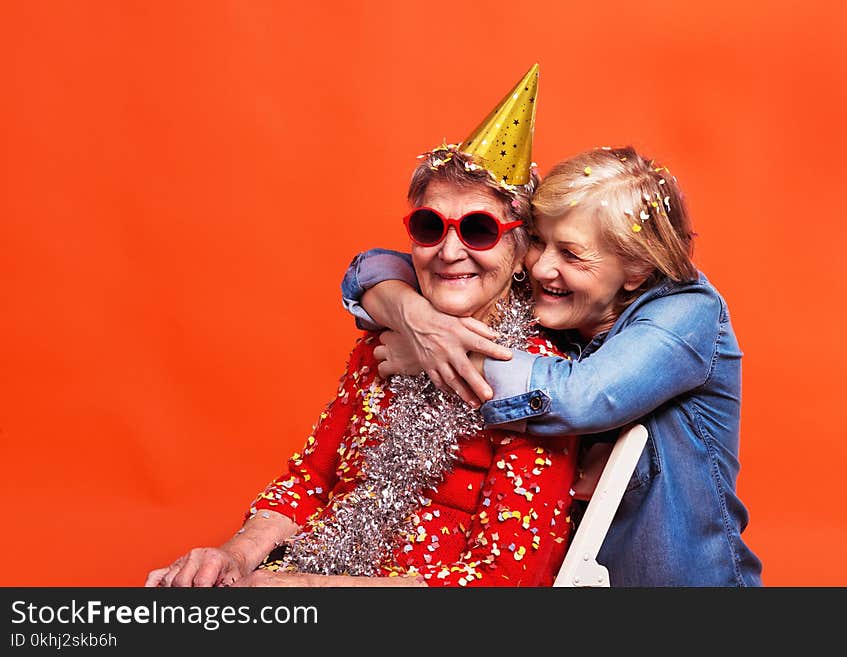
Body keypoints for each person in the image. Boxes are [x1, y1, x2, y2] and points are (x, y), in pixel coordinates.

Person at [145, 64, 581, 588]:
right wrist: (233, 557)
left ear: (520, 255)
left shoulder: (538, 383)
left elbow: (508, 580)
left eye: (479, 230)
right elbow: (307, 481)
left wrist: (312, 591)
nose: (448, 251)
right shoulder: (382, 350)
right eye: (429, 227)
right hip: (318, 573)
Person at [339, 145, 764, 586]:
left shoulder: (690, 313)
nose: (541, 267)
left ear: (636, 270)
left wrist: (444, 351)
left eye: (572, 254)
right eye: (538, 241)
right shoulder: (563, 307)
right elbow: (378, 265)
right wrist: (415, 315)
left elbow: (580, 397)